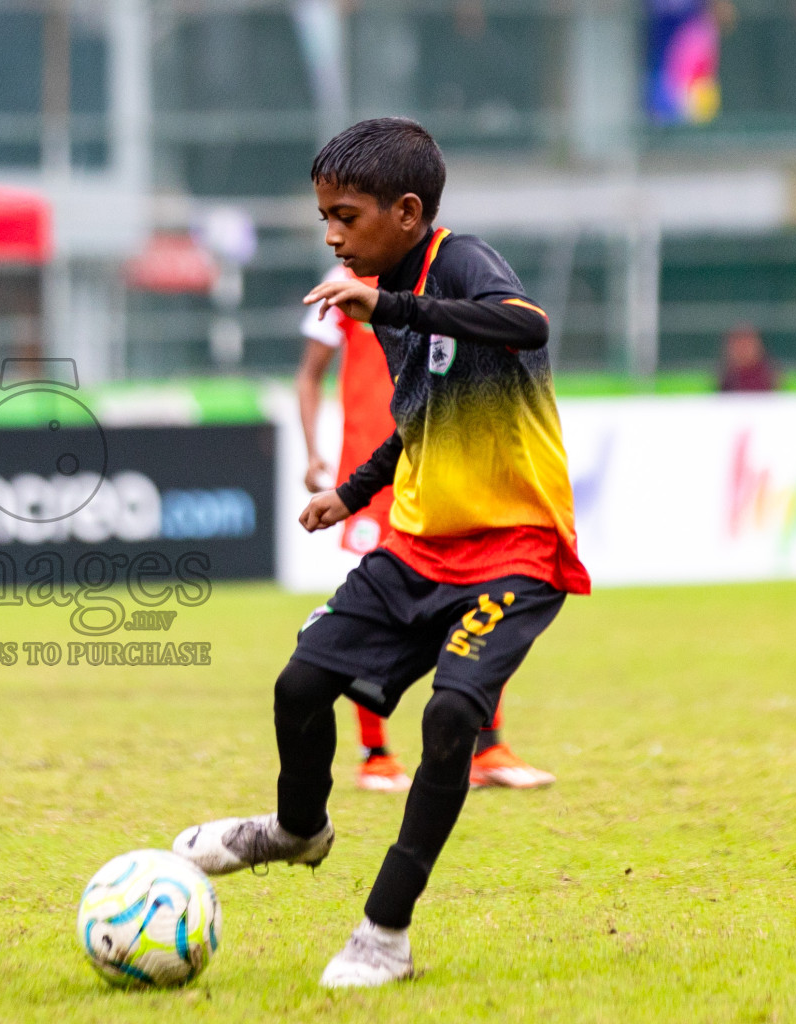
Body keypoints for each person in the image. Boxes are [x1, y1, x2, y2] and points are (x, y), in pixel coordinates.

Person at [174, 118, 590, 989]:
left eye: (344, 216)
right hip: (417, 548)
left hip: (516, 551)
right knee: (298, 684)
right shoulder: (378, 293)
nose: (330, 234)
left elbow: (528, 325)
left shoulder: (459, 261)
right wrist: (350, 493)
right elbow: (418, 419)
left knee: (448, 721)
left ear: (406, 213)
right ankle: (296, 831)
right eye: (323, 214)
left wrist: (392, 307)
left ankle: (384, 933)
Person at [298, 265, 556, 793]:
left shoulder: (440, 273)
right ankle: (375, 754)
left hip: (442, 457)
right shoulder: (341, 281)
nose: (338, 232)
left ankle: (488, 746)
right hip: (373, 466)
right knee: (375, 604)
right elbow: (310, 374)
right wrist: (313, 453)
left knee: (483, 594)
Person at [718, 322, 779, 393]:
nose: (742, 347)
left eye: (747, 342)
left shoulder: (774, 379)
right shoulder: (720, 381)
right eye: (737, 341)